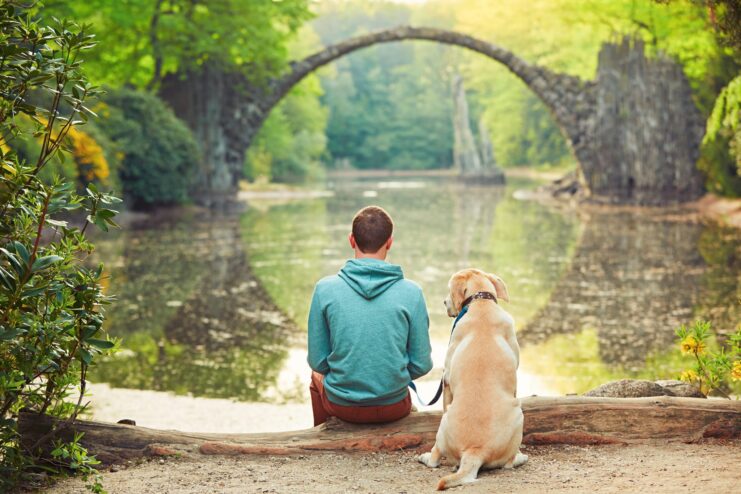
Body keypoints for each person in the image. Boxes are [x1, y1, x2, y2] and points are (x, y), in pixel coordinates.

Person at [307, 205, 433, 426]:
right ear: (390, 242)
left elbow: (318, 361)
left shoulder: (324, 289)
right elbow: (421, 364)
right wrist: (390, 377)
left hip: (341, 405)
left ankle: (324, 437)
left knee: (315, 378)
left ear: (351, 240)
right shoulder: (412, 292)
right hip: (394, 406)